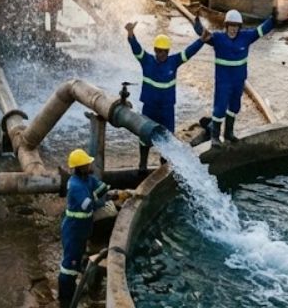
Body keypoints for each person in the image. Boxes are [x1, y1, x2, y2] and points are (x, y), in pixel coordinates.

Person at [125, 22, 205, 172]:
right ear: (154, 50)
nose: (160, 54)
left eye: (163, 51)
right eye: (158, 51)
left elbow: (189, 52)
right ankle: (142, 164)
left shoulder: (174, 61)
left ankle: (164, 165)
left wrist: (201, 40)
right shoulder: (147, 60)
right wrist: (130, 33)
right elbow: (136, 49)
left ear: (168, 51)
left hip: (167, 109)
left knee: (167, 137)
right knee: (144, 135)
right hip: (149, 107)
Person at [202, 8, 275, 144]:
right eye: (231, 26)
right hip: (223, 82)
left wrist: (274, 18)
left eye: (236, 26)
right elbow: (203, 36)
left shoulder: (246, 37)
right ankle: (215, 136)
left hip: (238, 81)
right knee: (220, 107)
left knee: (235, 106)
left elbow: (262, 30)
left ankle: (228, 133)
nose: (233, 29)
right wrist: (197, 25)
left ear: (239, 27)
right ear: (226, 26)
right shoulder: (218, 38)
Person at [58, 148, 112, 308]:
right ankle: (65, 298)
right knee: (69, 265)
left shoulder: (88, 179)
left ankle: (73, 288)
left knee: (77, 256)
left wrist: (115, 195)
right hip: (73, 229)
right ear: (81, 167)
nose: (91, 165)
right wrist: (103, 203)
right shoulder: (75, 185)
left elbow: (101, 188)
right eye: (88, 164)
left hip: (82, 230)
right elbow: (87, 205)